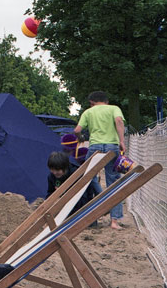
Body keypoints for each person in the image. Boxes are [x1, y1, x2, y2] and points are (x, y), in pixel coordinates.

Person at [74, 91, 126, 230]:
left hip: (94, 147)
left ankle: (99, 193)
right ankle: (114, 221)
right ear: (106, 101)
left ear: (92, 102)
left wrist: (80, 138)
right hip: (111, 146)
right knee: (114, 182)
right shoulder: (114, 108)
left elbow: (77, 129)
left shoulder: (88, 112)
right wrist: (121, 141)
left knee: (88, 177)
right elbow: (119, 121)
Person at [46, 151, 98, 220]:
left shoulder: (76, 173)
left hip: (82, 205)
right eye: (52, 170)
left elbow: (85, 195)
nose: (55, 172)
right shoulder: (51, 177)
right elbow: (50, 193)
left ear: (65, 167)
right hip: (66, 206)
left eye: (58, 170)